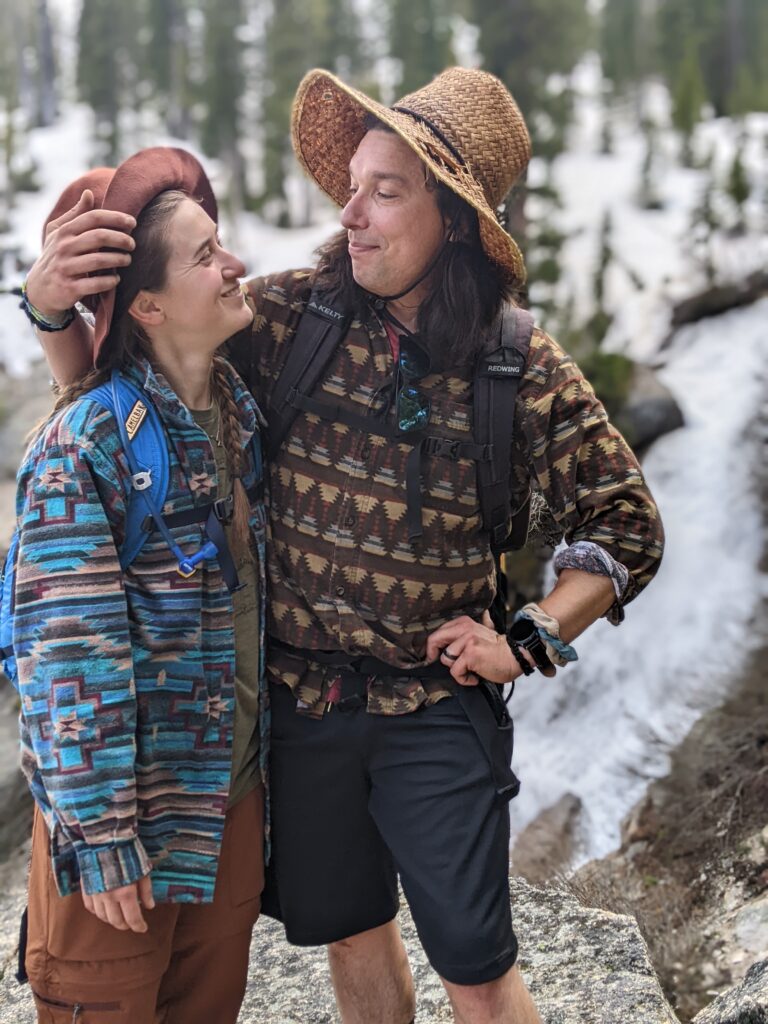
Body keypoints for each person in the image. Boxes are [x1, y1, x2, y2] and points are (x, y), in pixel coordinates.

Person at [26, 68, 664, 1024]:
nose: (350, 211)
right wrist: (48, 314)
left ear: (452, 220)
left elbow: (626, 521)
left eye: (385, 191)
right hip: (304, 711)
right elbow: (134, 376)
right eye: (353, 184)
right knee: (353, 934)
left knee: (476, 965)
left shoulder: (515, 362)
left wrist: (529, 639)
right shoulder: (293, 317)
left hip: (437, 710)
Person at [14, 147, 267, 1023]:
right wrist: (103, 836)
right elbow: (66, 659)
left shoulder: (238, 408)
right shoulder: (82, 448)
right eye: (206, 255)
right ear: (148, 306)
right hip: (123, 837)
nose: (234, 264)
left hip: (224, 811)